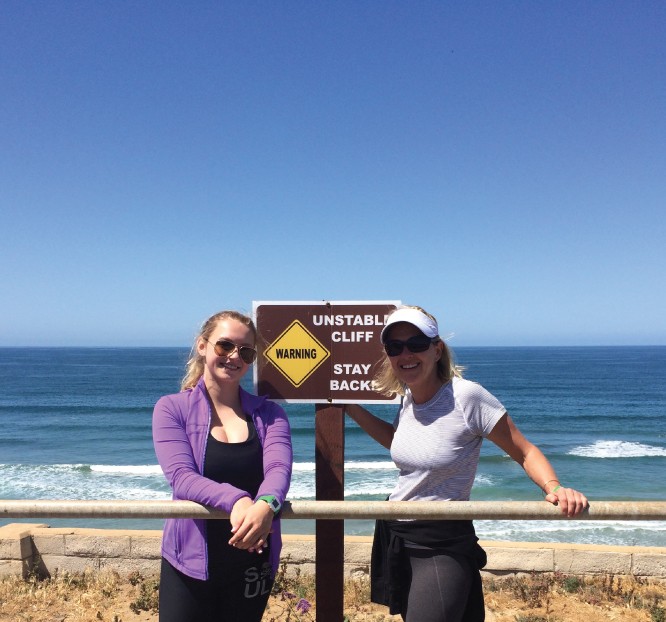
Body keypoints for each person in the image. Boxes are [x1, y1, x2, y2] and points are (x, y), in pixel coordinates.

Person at [345, 305, 588, 622]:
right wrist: (350, 408)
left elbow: (524, 450)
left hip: (441, 543)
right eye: (395, 347)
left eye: (416, 343)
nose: (406, 353)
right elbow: (401, 443)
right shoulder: (407, 401)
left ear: (437, 349)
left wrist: (554, 487)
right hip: (398, 537)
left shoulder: (467, 397)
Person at [152, 310, 292, 622]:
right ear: (202, 346)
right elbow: (182, 479)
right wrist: (239, 499)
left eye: (245, 351)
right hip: (188, 561)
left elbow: (279, 470)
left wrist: (267, 504)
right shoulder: (172, 409)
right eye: (224, 345)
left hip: (252, 563)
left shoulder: (270, 414)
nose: (233, 356)